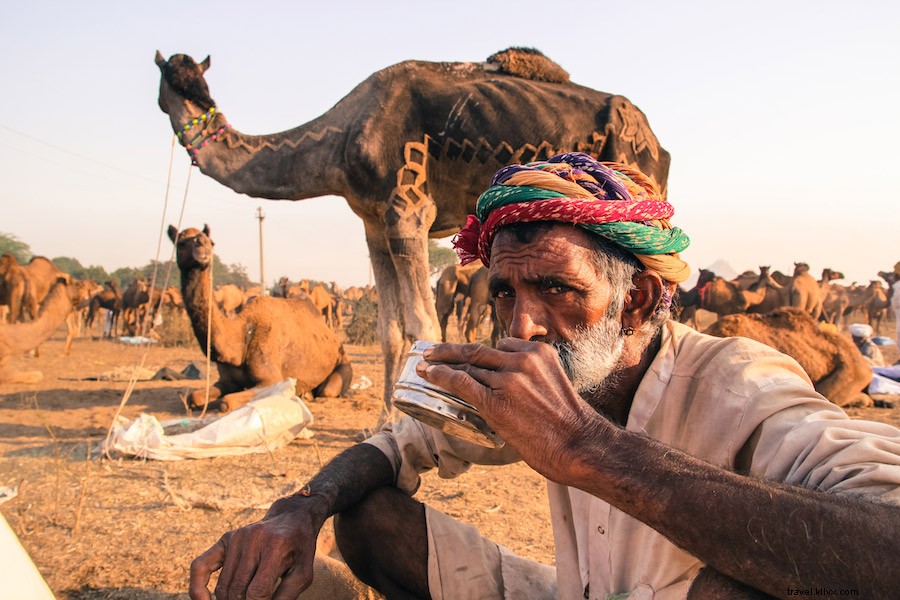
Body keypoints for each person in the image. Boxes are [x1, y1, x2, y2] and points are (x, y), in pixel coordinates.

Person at [189, 153, 900, 600]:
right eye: (505, 293)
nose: (521, 326)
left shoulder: (740, 385)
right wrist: (297, 510)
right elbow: (394, 446)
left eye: (558, 290)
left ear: (638, 300)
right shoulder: (536, 378)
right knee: (366, 517)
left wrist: (590, 449)